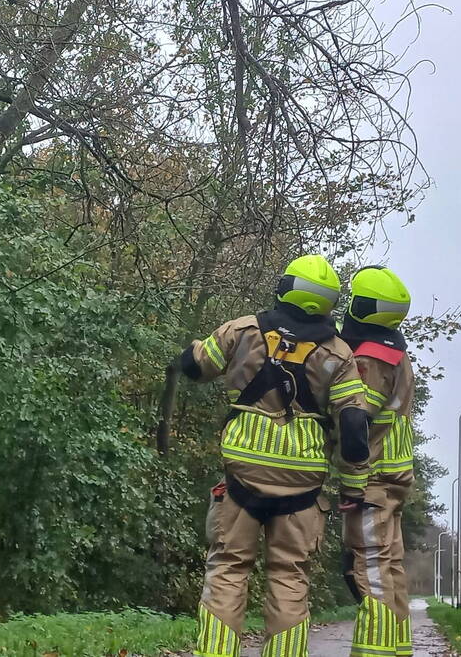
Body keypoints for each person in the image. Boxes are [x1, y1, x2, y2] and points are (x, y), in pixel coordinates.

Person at [180, 255, 372, 657]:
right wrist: (353, 486)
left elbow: (199, 367)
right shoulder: (339, 355)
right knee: (290, 578)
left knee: (229, 571)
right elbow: (354, 428)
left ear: (287, 287)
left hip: (240, 480)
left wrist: (191, 352)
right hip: (302, 490)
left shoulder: (243, 329)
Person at [337, 266, 415, 657]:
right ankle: (397, 649)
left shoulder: (369, 359)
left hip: (373, 478)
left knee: (370, 573)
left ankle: (375, 652)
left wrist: (351, 479)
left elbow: (355, 420)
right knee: (390, 569)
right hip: (392, 477)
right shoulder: (396, 353)